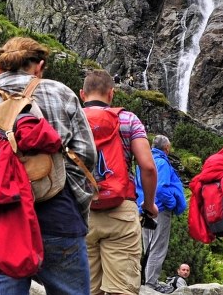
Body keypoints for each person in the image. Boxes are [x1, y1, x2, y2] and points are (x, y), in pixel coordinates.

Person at [0, 36, 97, 295]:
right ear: (39, 66)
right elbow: (86, 155)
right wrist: (69, 199)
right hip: (58, 218)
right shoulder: (61, 93)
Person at [80, 69, 158, 295]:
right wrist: (149, 205)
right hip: (121, 208)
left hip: (80, 211)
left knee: (87, 289)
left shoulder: (71, 118)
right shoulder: (128, 119)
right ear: (111, 94)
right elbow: (148, 167)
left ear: (82, 94)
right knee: (122, 290)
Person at [139, 134, 186, 289]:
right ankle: (151, 284)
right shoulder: (162, 162)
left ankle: (146, 280)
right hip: (159, 209)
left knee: (148, 246)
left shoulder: (144, 160)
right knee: (158, 248)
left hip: (143, 208)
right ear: (166, 148)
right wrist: (172, 204)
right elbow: (160, 188)